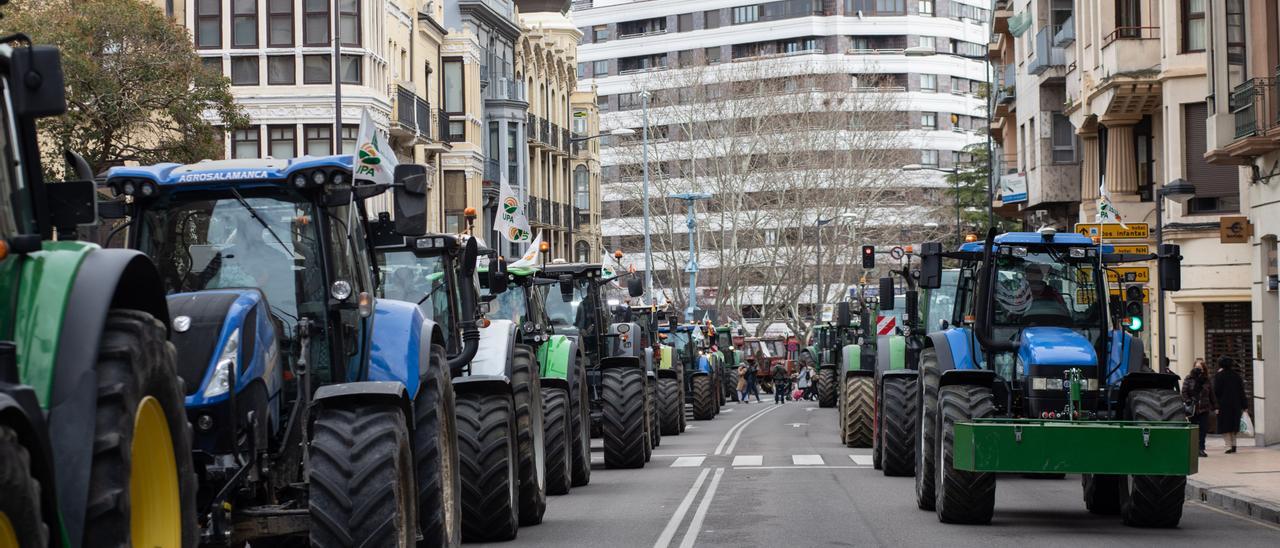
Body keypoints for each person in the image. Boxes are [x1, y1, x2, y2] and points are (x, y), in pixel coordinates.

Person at [1182, 358, 1216, 457]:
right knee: (1193, 429)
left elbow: (1211, 394)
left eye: (1200, 368)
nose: (1198, 370)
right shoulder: (1189, 378)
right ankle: (1193, 449)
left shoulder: (1206, 380)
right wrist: (1187, 400)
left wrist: (1215, 406)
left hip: (1204, 408)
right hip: (1193, 409)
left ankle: (1201, 448)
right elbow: (1184, 392)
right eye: (1197, 367)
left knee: (1203, 430)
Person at [1214, 356, 1248, 454]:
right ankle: (1234, 444)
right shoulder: (1237, 376)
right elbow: (1242, 391)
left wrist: (1215, 406)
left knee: (1225, 425)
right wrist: (1244, 405)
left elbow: (1216, 391)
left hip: (1223, 405)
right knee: (1234, 425)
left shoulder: (1219, 376)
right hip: (1236, 404)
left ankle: (1228, 445)